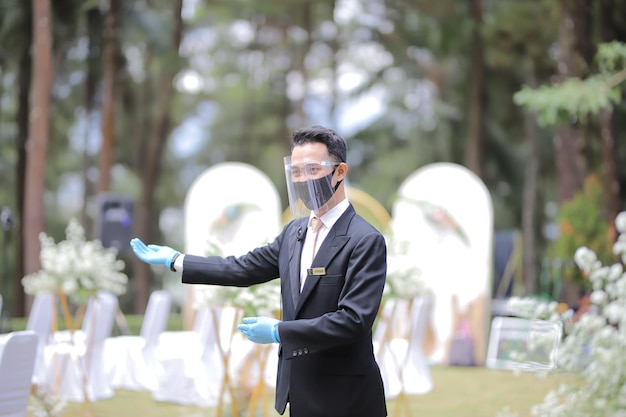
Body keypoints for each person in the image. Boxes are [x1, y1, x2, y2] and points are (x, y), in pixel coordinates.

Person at [130, 125, 388, 417]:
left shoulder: (365, 240)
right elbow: (242, 268)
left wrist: (279, 331)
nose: (304, 179)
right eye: (297, 172)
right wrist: (178, 260)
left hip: (347, 397)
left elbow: (353, 320)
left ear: (340, 172)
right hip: (300, 392)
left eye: (313, 169)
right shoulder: (294, 232)